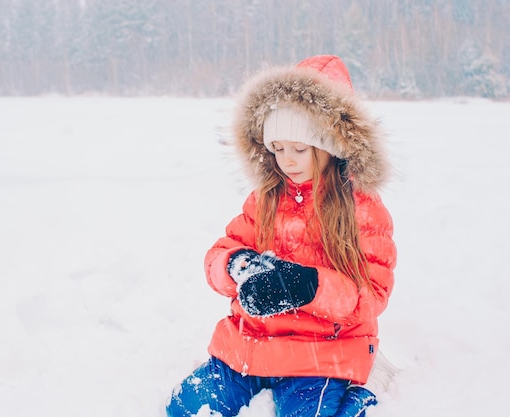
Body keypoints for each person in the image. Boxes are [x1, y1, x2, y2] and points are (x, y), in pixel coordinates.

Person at [165, 55, 397, 417]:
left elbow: (372, 293)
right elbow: (221, 251)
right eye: (277, 149)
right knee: (185, 408)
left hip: (321, 352)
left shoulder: (361, 209)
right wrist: (237, 265)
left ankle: (358, 398)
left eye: (299, 149)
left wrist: (306, 286)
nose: (286, 161)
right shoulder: (266, 197)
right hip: (251, 344)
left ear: (330, 146)